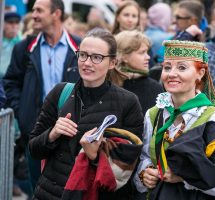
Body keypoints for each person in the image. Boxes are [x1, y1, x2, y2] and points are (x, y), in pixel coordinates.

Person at [28, 28, 144, 200]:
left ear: (112, 62)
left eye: (96, 57)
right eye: (83, 55)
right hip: (50, 193)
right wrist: (52, 134)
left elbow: (129, 166)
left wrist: (94, 155)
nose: (87, 63)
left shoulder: (128, 102)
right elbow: (33, 150)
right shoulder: (60, 92)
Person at [134, 40, 215, 200]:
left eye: (182, 67)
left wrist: (184, 177)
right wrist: (145, 173)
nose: (171, 73)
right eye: (167, 67)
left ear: (200, 73)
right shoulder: (154, 115)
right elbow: (145, 157)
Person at [3, 0, 81, 193]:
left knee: (68, 191)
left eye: (39, 10)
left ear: (56, 13)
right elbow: (11, 83)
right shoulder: (24, 48)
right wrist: (23, 114)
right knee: (37, 190)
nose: (34, 14)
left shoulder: (79, 47)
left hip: (72, 133)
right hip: (36, 132)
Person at [115, 30, 163, 115]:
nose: (148, 57)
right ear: (124, 57)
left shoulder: (155, 88)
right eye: (142, 53)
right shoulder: (109, 83)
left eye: (147, 52)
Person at [144, 3, 173, 67]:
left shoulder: (142, 34)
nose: (171, 19)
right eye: (169, 16)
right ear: (165, 18)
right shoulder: (169, 38)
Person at [0, 11, 22, 78]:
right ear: (3, 24)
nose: (14, 26)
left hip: (12, 80)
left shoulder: (21, 42)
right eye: (10, 23)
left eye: (17, 23)